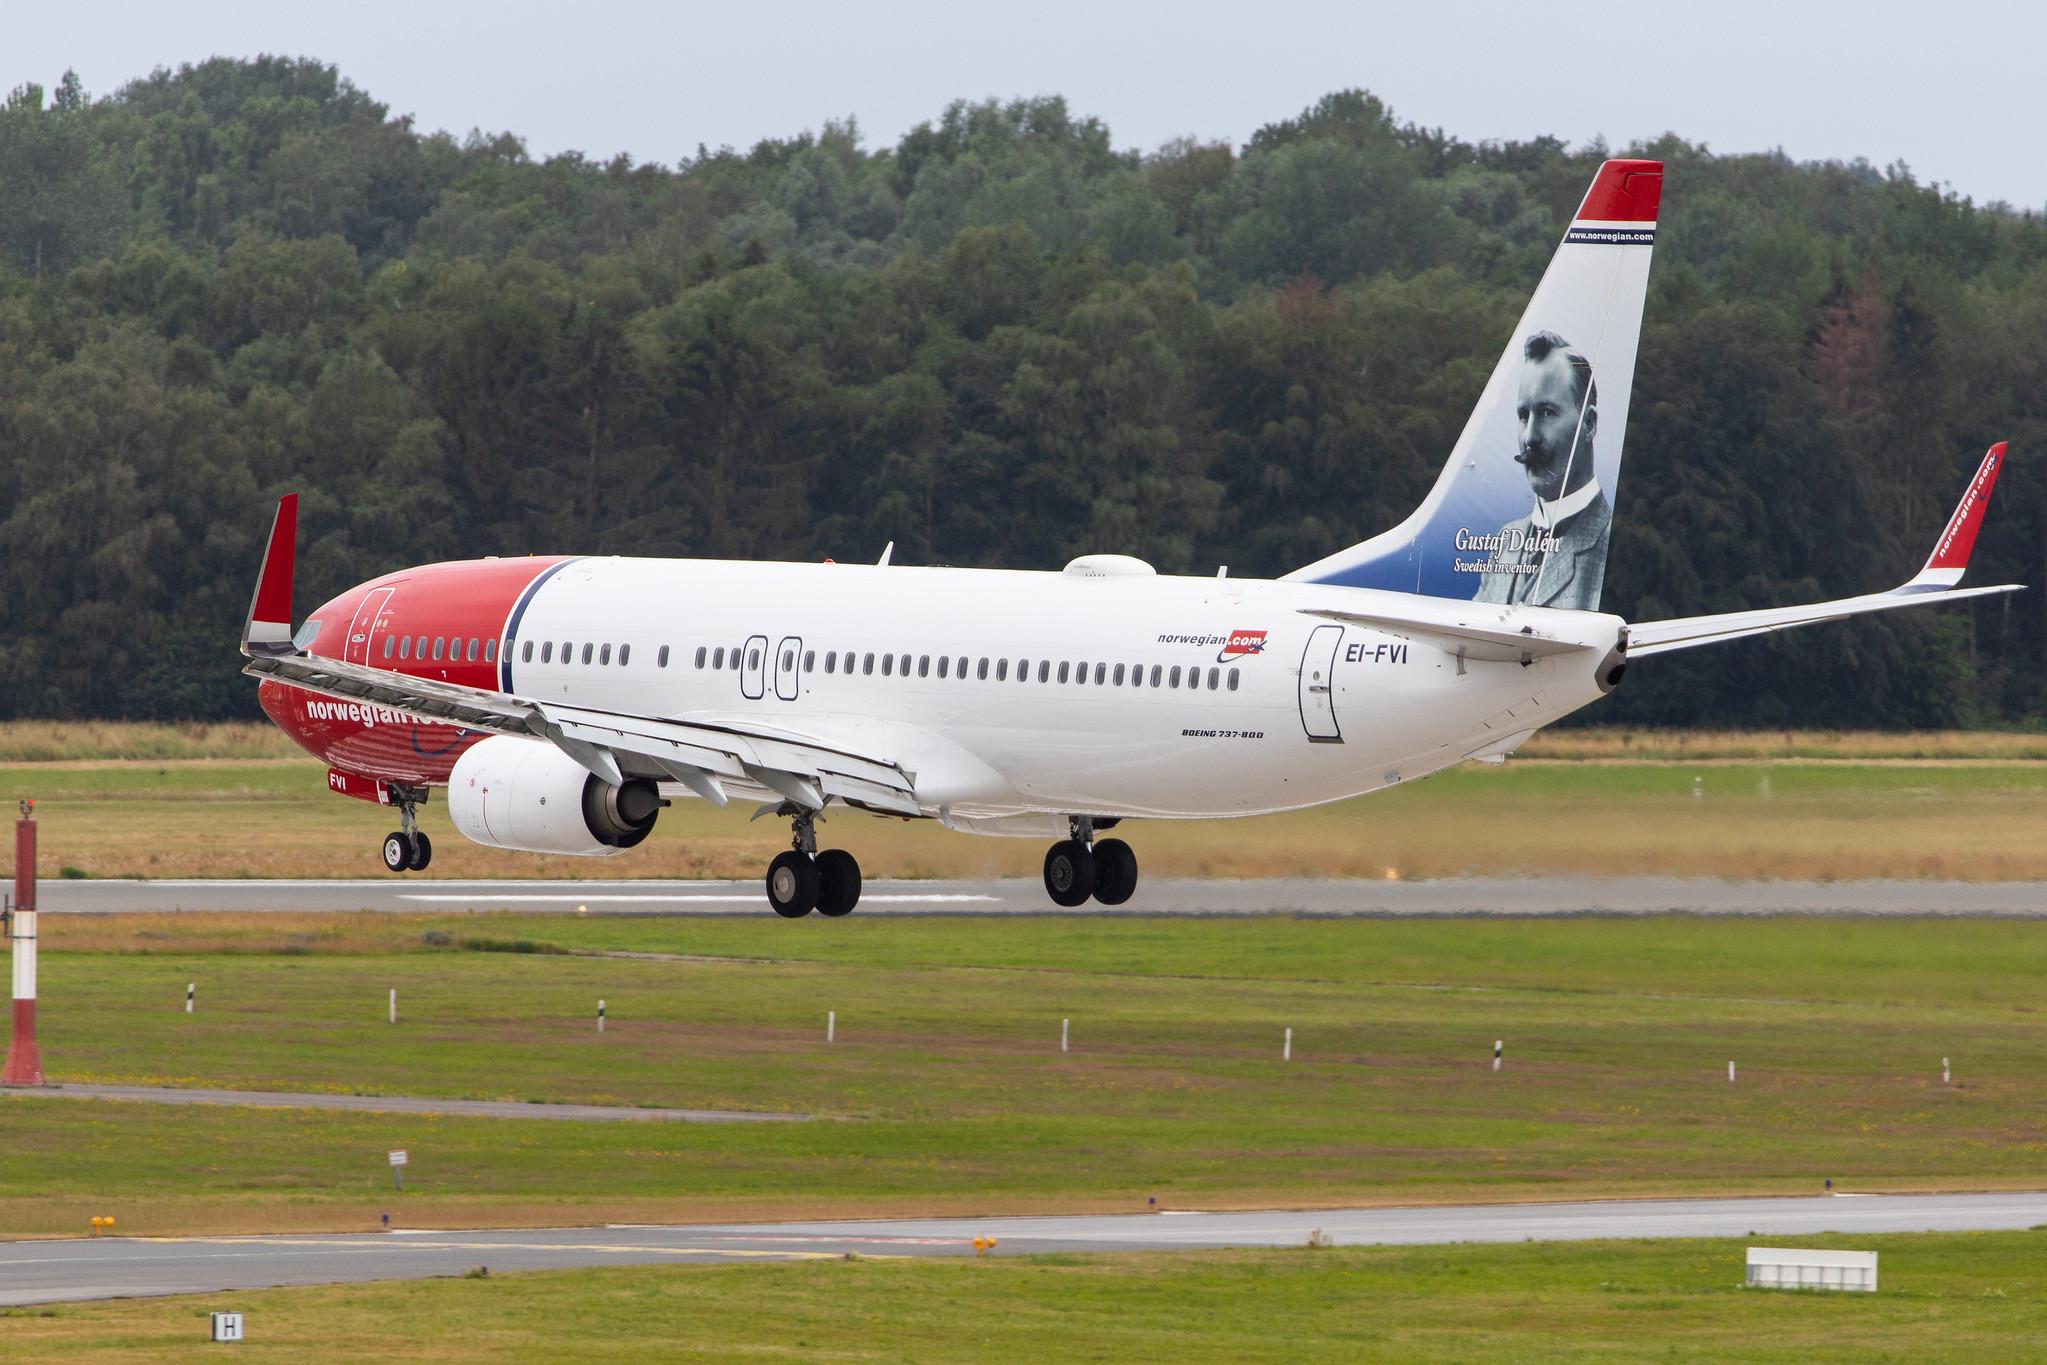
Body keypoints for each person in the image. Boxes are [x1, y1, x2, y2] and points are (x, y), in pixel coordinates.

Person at [1472, 331, 1612, 610]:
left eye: (1547, 412)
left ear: (1590, 424)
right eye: (1524, 416)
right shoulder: (1505, 543)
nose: (1530, 437)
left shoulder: (1608, 540)